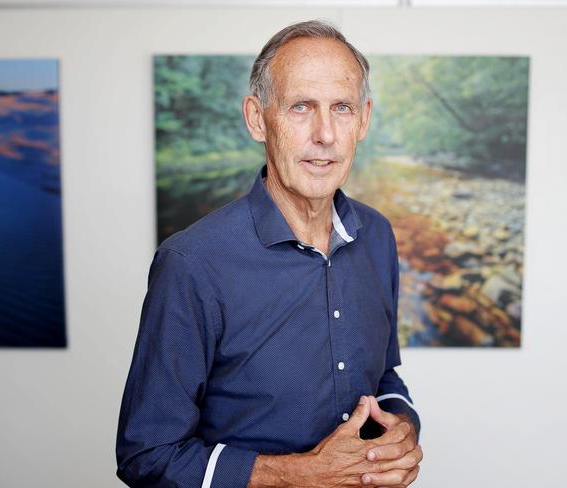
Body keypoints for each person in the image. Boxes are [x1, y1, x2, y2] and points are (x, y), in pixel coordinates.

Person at [116, 20, 422, 488]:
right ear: (258, 118)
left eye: (341, 108)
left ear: (363, 120)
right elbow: (147, 455)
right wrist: (302, 475)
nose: (324, 134)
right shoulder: (192, 263)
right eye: (301, 107)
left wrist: (401, 429)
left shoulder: (377, 236)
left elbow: (384, 379)